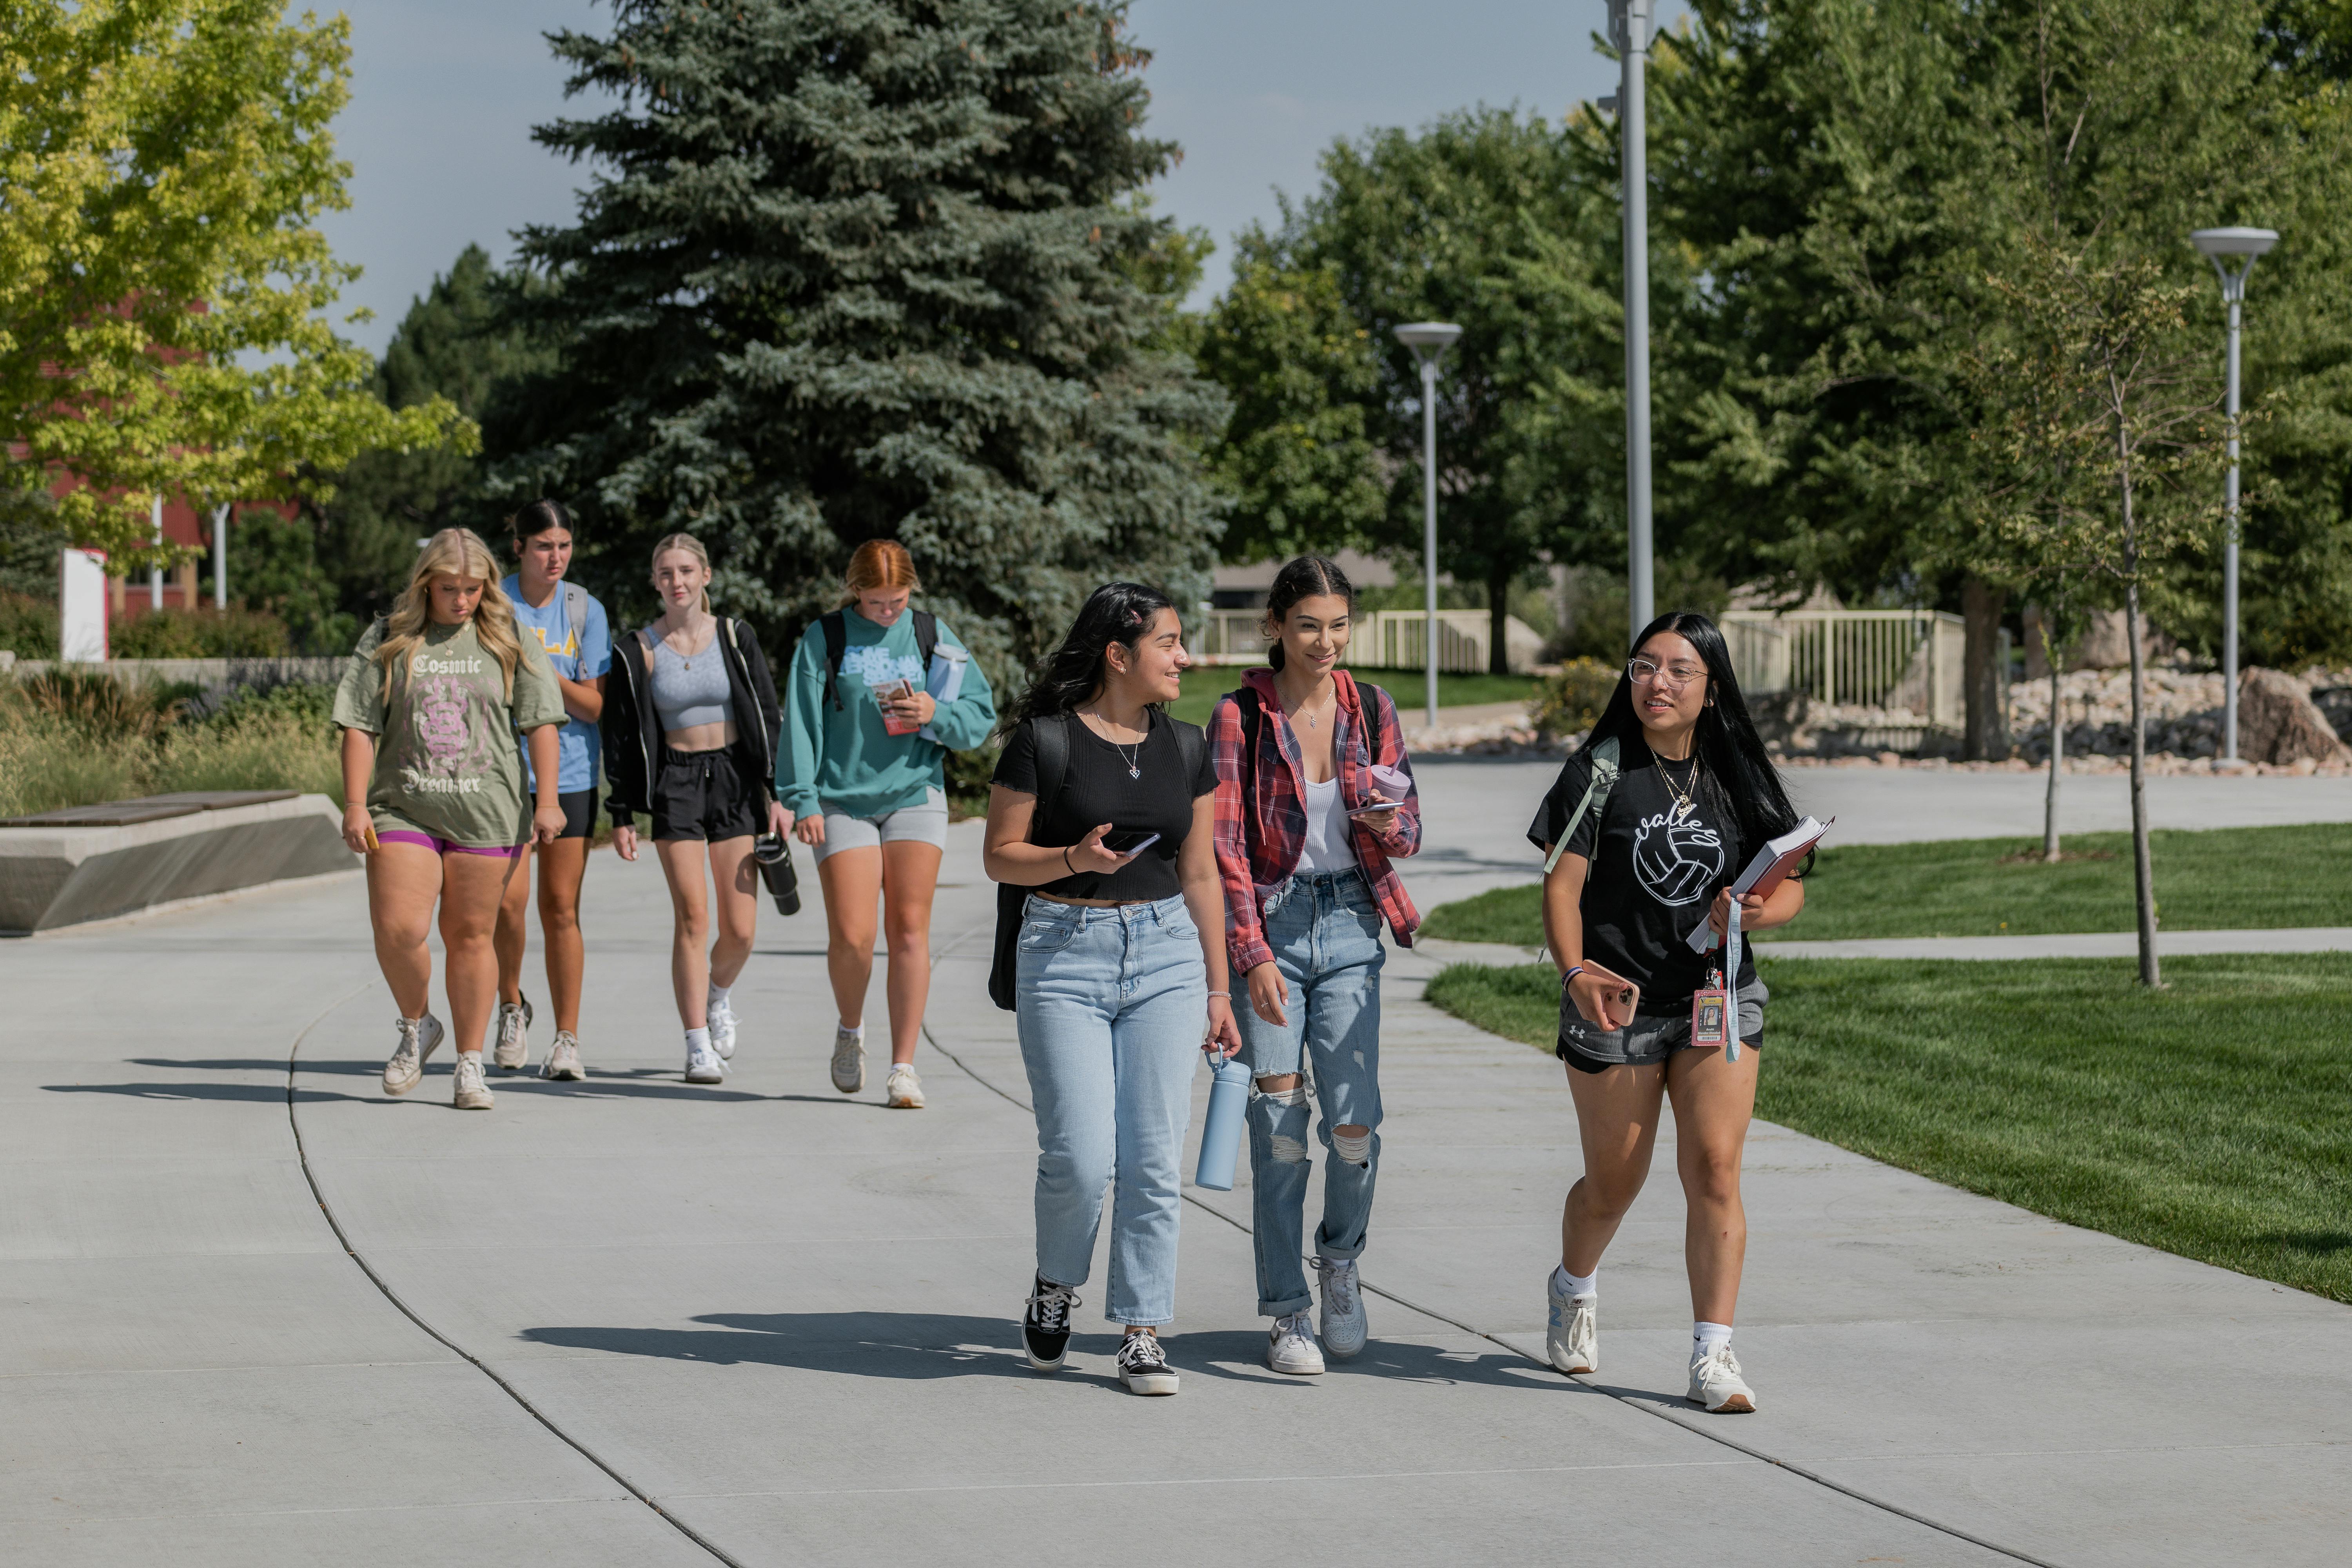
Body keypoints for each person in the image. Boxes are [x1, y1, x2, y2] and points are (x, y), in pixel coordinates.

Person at [1528, 610, 1809, 1414]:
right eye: (1645, 665)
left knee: (1715, 1168)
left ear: (1711, 688)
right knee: (1615, 1184)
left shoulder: (1737, 771)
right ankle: (1573, 1284)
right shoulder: (1600, 770)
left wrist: (1756, 914)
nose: (1657, 682)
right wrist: (1576, 970)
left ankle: (1712, 1355)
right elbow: (1561, 885)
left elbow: (1789, 879)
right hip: (1617, 1002)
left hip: (1718, 996)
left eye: (1679, 669)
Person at [984, 583, 1242, 1397]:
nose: (1184, 657)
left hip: (1166, 951)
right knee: (1080, 1156)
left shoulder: (1189, 745)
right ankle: (1056, 1281)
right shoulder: (1044, 741)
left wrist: (1218, 986)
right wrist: (1074, 860)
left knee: (1154, 1155)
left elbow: (1201, 870)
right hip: (1063, 952)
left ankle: (1142, 1328)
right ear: (1118, 655)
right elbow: (999, 855)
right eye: (1169, 642)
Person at [1208, 555, 1421, 1376]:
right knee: (1280, 1125)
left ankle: (1338, 1261)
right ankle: (1286, 1309)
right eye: (1308, 625)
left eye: (1337, 624)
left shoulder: (1371, 706)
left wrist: (1385, 818)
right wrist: (1251, 953)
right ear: (1275, 625)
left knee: (1354, 1124)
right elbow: (1225, 847)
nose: (1324, 640)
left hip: (1354, 924)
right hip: (1274, 923)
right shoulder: (1240, 716)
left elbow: (1409, 830)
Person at [333, 527, 568, 1112]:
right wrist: (356, 803)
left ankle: (470, 1064)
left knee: (470, 937)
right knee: (399, 929)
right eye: (448, 589)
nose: (460, 600)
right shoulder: (391, 636)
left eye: (471, 589)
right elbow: (360, 723)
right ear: (425, 585)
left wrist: (547, 801)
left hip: (486, 809)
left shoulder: (507, 635)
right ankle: (417, 1026)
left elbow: (540, 721)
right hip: (404, 804)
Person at [778, 540, 996, 1109]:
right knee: (853, 935)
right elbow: (801, 723)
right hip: (841, 798)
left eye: (898, 601)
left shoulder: (930, 633)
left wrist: (935, 713)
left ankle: (905, 1068)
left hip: (914, 793)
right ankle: (851, 1029)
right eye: (877, 602)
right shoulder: (825, 638)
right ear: (856, 591)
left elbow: (979, 716)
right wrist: (801, 799)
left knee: (908, 930)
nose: (889, 612)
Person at [601, 534, 788, 1083]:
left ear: (706, 575)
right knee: (692, 919)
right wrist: (619, 812)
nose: (676, 581)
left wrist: (778, 795)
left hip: (735, 780)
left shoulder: (734, 636)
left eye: (686, 570)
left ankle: (718, 995)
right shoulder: (638, 648)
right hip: (675, 785)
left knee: (741, 930)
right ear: (655, 580)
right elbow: (618, 736)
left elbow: (767, 715)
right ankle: (697, 1045)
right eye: (665, 572)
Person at [490, 499, 611, 1082]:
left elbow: (592, 705)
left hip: (571, 777)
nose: (555, 556)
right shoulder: (493, 604)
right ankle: (512, 1007)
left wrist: (541, 671)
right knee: (506, 908)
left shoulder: (584, 609)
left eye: (564, 545)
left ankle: (567, 1039)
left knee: (559, 908)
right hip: (499, 775)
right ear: (519, 548)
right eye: (544, 546)